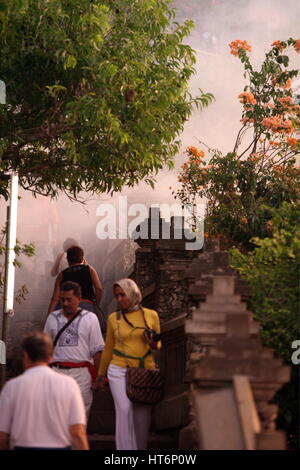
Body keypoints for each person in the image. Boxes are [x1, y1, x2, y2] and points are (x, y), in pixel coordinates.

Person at [94, 278, 161, 450]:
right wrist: (100, 376)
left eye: (123, 295)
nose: (119, 299)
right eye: (117, 296)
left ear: (133, 294)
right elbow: (108, 348)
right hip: (118, 369)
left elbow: (158, 345)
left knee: (142, 416)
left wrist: (152, 342)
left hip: (144, 370)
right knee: (124, 410)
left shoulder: (151, 315)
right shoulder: (113, 318)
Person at [0, 331, 89, 450]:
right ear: (50, 357)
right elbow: (77, 433)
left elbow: (2, 437)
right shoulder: (69, 385)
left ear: (25, 356)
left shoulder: (11, 387)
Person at [44, 281, 105, 417]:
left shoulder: (90, 318)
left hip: (82, 374)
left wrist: (100, 377)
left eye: (69, 300)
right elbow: (45, 349)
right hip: (57, 372)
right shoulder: (52, 318)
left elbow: (97, 349)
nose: (65, 303)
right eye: (63, 300)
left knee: (80, 417)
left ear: (79, 298)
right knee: (57, 417)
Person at [47, 245, 102, 316]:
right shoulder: (90, 270)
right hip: (87, 306)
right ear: (82, 258)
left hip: (66, 308)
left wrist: (49, 317)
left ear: (67, 259)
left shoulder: (61, 275)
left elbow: (55, 298)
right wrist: (96, 305)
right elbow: (99, 289)